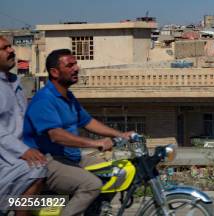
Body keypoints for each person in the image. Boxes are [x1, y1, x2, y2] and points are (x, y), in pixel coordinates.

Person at [23, 49, 134, 216]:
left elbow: (88, 121)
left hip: (71, 157)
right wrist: (96, 143)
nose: (76, 68)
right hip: (47, 160)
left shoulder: (68, 97)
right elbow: (56, 135)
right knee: (91, 184)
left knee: (115, 172)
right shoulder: (44, 99)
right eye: (70, 65)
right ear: (54, 72)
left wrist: (120, 135)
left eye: (75, 64)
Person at [0, 36, 46, 216]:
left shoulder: (15, 82)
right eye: (4, 48)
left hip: (23, 152)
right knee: (37, 167)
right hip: (6, 158)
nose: (11, 50)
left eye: (10, 46)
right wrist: (23, 151)